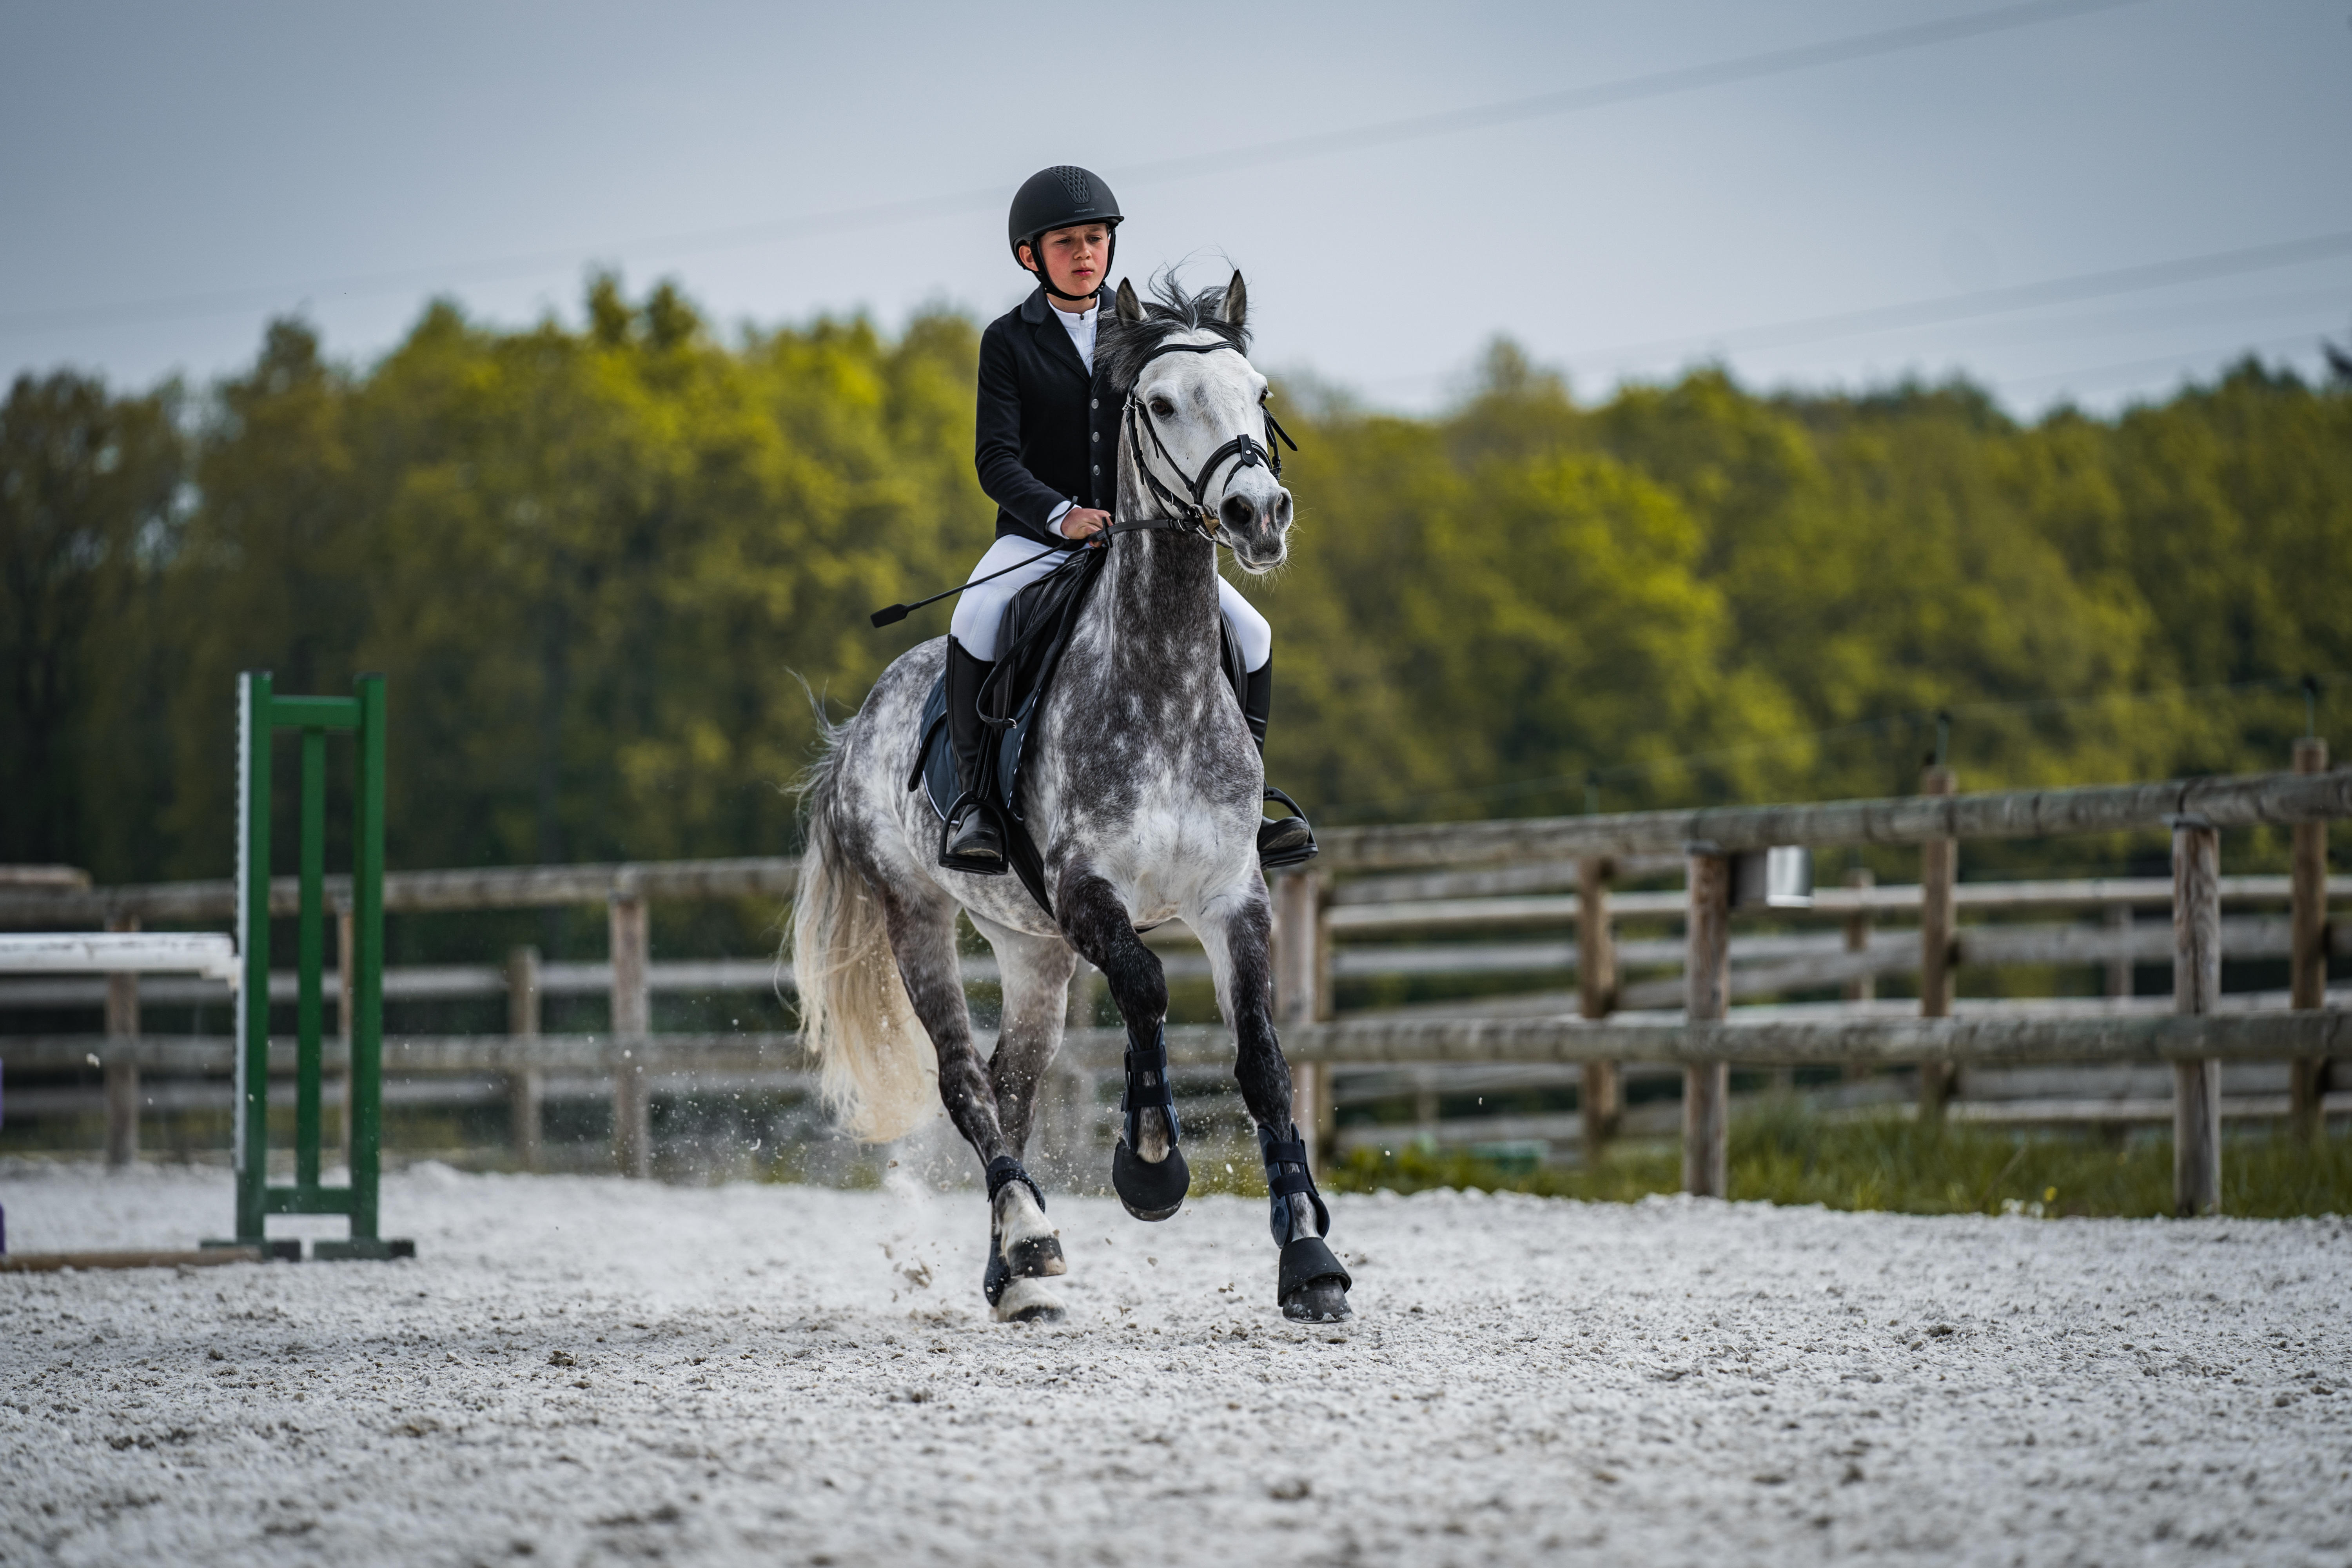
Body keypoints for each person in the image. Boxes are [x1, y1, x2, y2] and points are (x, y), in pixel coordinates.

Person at [941, 163, 1310, 874]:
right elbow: (995, 460)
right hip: (1038, 540)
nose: (1085, 254)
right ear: (1030, 256)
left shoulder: (1148, 335)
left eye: (1095, 239)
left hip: (1144, 542)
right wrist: (1060, 516)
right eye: (1067, 243)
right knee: (976, 618)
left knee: (1254, 633)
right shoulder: (1008, 341)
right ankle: (979, 805)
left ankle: (1246, 804)